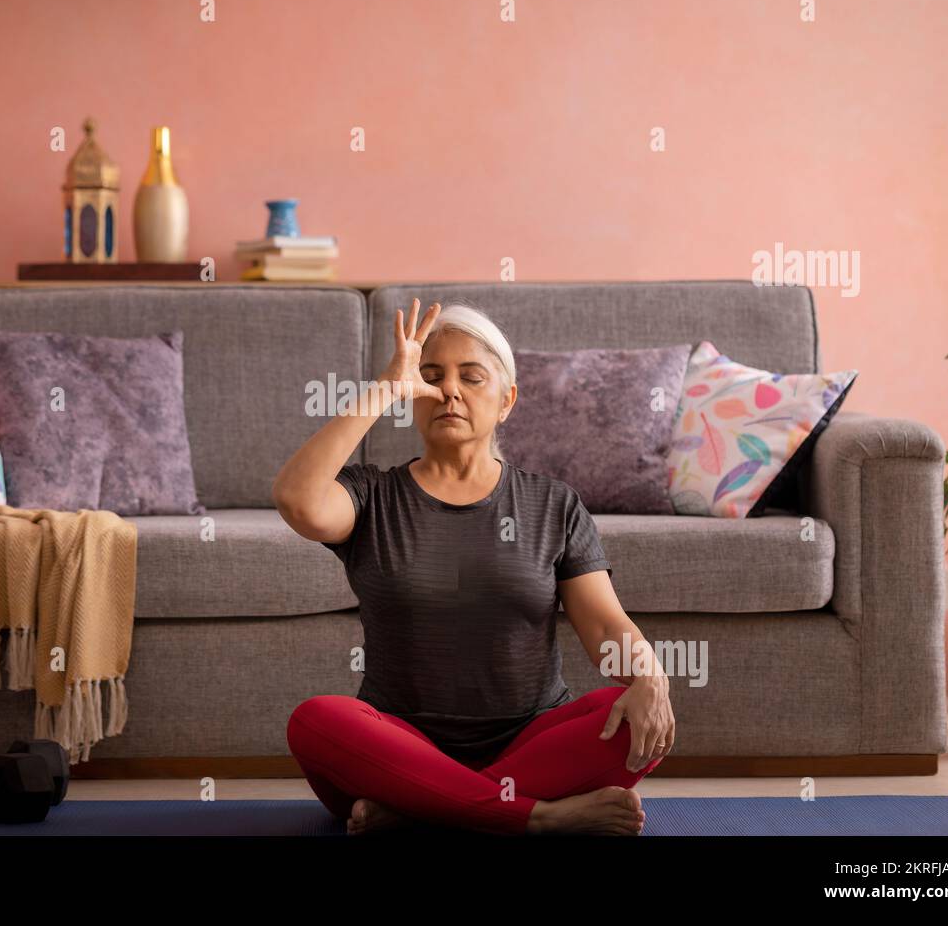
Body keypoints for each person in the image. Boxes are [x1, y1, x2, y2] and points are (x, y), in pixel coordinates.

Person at [273, 298, 675, 835]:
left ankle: (425, 810)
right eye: (431, 377)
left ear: (506, 400)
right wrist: (386, 387)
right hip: (399, 745)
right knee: (316, 721)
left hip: (530, 741)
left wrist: (650, 677)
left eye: (472, 377)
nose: (450, 391)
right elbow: (298, 500)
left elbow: (604, 626)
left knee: (631, 719)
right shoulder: (371, 496)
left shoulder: (554, 504)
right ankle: (534, 818)